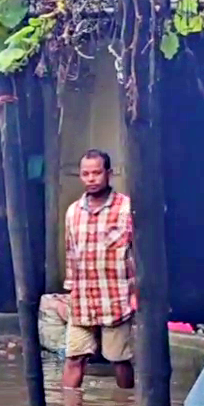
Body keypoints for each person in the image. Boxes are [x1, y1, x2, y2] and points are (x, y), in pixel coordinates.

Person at [62, 149, 136, 390]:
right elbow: (70, 254)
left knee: (119, 360)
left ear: (108, 173)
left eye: (96, 173)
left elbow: (139, 254)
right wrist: (69, 291)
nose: (91, 179)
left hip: (116, 297)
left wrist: (137, 293)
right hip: (83, 299)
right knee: (74, 358)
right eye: (86, 174)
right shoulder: (73, 212)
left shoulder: (126, 208)